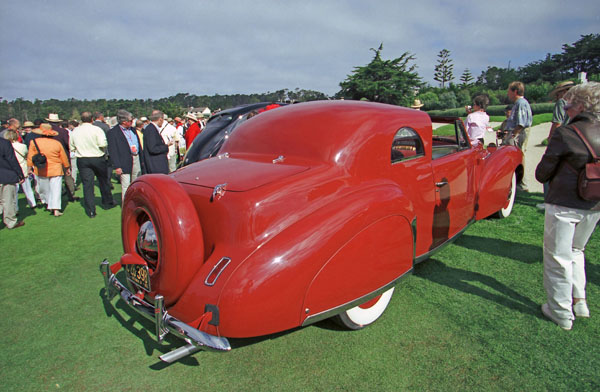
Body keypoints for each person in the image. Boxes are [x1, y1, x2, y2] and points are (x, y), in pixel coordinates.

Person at [535, 82, 600, 331]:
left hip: (564, 201)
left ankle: (560, 311)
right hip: (594, 203)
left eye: (570, 105)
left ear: (581, 105)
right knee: (576, 251)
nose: (568, 110)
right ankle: (580, 301)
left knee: (557, 256)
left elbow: (543, 173)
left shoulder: (567, 133)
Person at [70, 112, 115, 218]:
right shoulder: (96, 130)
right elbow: (103, 144)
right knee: (103, 181)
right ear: (92, 120)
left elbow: (72, 146)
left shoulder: (75, 131)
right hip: (97, 157)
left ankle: (91, 210)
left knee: (87, 185)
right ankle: (107, 202)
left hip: (82, 159)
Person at [27, 124, 70, 217]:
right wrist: (67, 167)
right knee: (56, 189)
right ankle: (55, 208)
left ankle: (48, 203)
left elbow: (30, 156)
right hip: (56, 168)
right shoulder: (56, 143)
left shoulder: (34, 142)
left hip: (41, 168)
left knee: (44, 188)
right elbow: (63, 157)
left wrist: (29, 167)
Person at [107, 110, 143, 201]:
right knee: (126, 185)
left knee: (136, 182)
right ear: (124, 122)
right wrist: (117, 166)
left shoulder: (133, 130)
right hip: (124, 161)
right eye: (131, 121)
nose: (132, 122)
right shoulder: (113, 133)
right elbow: (113, 151)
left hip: (136, 158)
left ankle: (136, 201)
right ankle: (126, 204)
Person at [504, 81, 532, 191]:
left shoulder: (521, 103)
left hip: (519, 133)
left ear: (515, 91)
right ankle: (519, 183)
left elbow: (521, 123)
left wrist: (513, 135)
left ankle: (522, 184)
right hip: (517, 132)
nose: (508, 94)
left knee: (519, 157)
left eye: (509, 92)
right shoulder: (519, 103)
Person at [46, 113, 77, 201]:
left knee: (52, 178)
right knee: (67, 176)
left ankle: (53, 196)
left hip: (50, 158)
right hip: (63, 157)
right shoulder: (63, 131)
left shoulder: (45, 132)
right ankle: (70, 194)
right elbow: (68, 144)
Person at [4, 130, 36, 209]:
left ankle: (16, 207)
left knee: (15, 191)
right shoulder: (22, 146)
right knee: (27, 188)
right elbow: (26, 155)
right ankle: (32, 203)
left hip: (12, 169)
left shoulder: (5, 146)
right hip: (23, 168)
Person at [0, 135, 25, 228]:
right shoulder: (4, 143)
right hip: (6, 175)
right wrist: (20, 174)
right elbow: (12, 160)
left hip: (5, 174)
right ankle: (10, 222)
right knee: (8, 200)